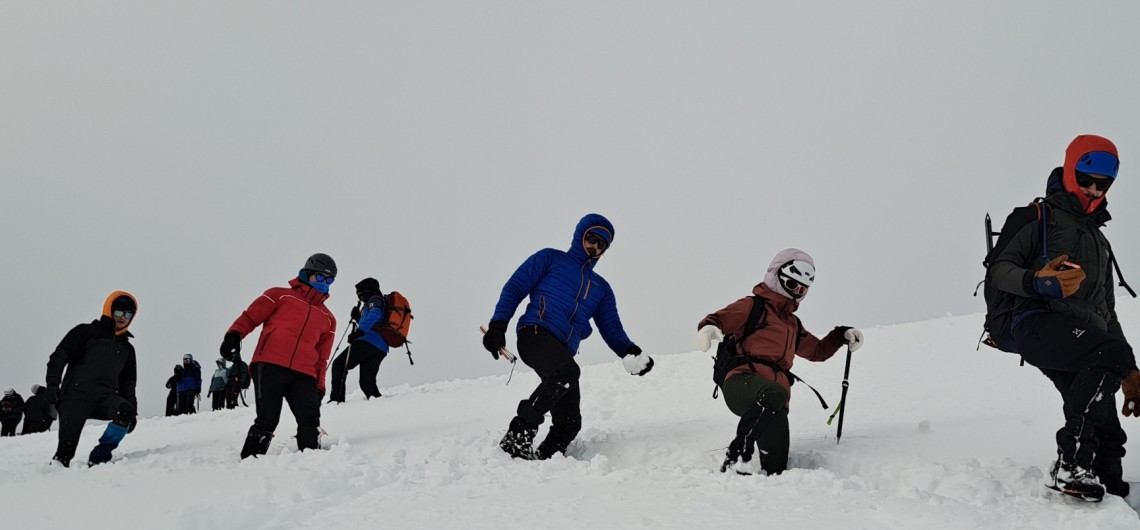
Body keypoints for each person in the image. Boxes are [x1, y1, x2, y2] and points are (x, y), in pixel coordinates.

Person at [990, 134, 1134, 501]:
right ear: (1070, 172)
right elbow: (999, 269)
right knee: (1107, 357)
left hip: (1080, 335)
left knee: (1107, 428)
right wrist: (1037, 279)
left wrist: (1129, 371)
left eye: (1102, 184)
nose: (1092, 188)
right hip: (1035, 319)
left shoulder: (1099, 243)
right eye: (1085, 179)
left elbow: (1107, 311)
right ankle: (1070, 462)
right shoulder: (1037, 217)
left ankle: (1111, 496)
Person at [482, 213, 654, 460]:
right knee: (566, 373)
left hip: (561, 352)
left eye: (602, 244)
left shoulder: (601, 288)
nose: (595, 246)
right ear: (580, 236)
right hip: (534, 334)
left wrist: (631, 351)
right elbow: (515, 287)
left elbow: (611, 327)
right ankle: (518, 435)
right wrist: (498, 326)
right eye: (591, 238)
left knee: (570, 423)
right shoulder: (550, 259)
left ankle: (543, 461)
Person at [696, 248, 863, 475]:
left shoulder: (792, 324)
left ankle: (760, 487)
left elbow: (817, 351)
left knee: (776, 467)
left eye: (802, 289)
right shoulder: (754, 306)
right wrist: (709, 327)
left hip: (774, 403)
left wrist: (840, 335)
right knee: (774, 393)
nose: (796, 292)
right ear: (777, 277)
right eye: (792, 285)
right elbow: (722, 319)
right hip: (741, 382)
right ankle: (739, 452)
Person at [220, 253, 337, 458]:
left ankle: (311, 461)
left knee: (309, 419)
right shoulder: (279, 295)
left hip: (304, 373)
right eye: (320, 277)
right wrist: (234, 335)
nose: (324, 283)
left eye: (329, 280)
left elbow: (322, 357)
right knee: (268, 418)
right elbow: (251, 316)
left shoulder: (328, 318)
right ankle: (250, 462)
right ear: (307, 274)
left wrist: (320, 385)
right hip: (271, 363)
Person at [45, 291, 139, 467]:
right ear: (109, 310)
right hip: (75, 396)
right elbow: (58, 358)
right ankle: (55, 477)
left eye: (128, 314)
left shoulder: (127, 348)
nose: (123, 318)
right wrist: (52, 385)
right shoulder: (85, 332)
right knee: (65, 453)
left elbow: (128, 383)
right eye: (118, 312)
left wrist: (132, 408)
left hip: (104, 399)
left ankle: (100, 457)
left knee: (125, 412)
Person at [328, 278, 389, 403]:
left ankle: (336, 400)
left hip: (367, 341)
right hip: (380, 347)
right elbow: (373, 319)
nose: (359, 295)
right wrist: (358, 318)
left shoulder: (375, 300)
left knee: (339, 364)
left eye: (360, 291)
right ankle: (379, 404)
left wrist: (359, 332)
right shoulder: (376, 302)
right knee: (367, 382)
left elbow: (375, 315)